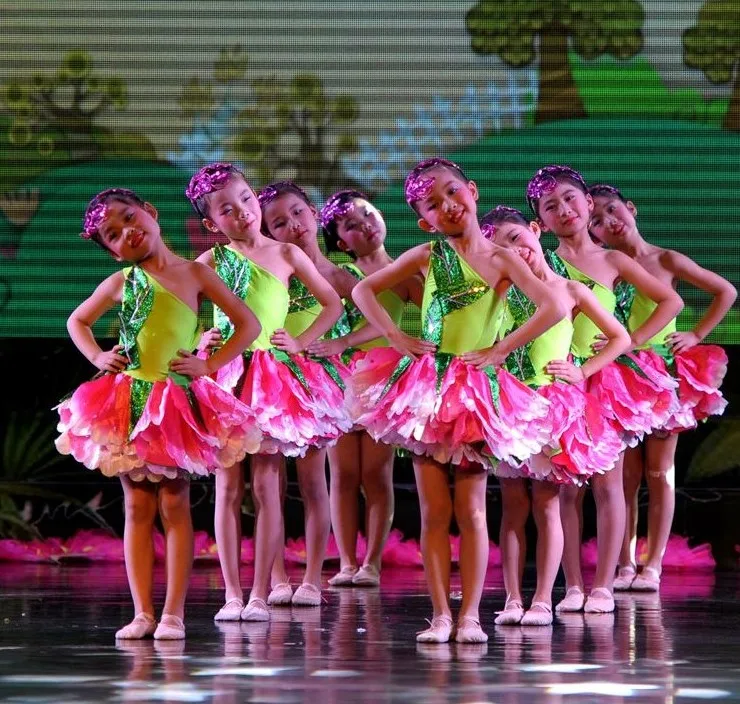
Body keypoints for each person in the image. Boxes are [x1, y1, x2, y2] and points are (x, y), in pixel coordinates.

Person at [350, 158, 565, 643]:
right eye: (433, 204)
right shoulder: (428, 254)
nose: (448, 206)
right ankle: (440, 615)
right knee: (433, 512)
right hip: (425, 389)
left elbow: (554, 306)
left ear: (471, 190)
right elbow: (364, 290)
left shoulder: (505, 259)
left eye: (453, 193)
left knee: (471, 508)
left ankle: (469, 616)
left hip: (474, 391)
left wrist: (501, 349)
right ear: (424, 218)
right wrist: (396, 337)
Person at [56, 188, 262, 640]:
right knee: (135, 504)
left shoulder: (195, 273)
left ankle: (173, 614)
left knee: (174, 502)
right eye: (113, 235)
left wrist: (209, 364)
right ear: (111, 252)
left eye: (129, 219)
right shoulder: (121, 283)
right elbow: (78, 321)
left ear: (150, 213)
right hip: (129, 400)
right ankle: (142, 613)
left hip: (175, 403)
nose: (127, 233)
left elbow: (249, 324)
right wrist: (95, 357)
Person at [186, 163, 345, 621]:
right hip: (226, 379)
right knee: (227, 488)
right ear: (211, 223)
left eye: (247, 201)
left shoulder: (287, 256)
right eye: (226, 211)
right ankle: (232, 594)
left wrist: (300, 340)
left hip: (272, 377)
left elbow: (332, 303)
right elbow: (186, 311)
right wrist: (202, 341)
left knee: (267, 485)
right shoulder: (211, 263)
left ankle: (260, 593)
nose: (242, 214)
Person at [526, 165, 684, 614]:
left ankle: (604, 588)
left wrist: (629, 341)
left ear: (587, 203)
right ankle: (573, 585)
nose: (565, 210)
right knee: (565, 489)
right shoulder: (540, 263)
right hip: (557, 380)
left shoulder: (614, 261)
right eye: (550, 206)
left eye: (571, 199)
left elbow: (671, 300)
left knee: (608, 485)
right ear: (540, 219)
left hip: (602, 381)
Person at [480, 205, 629, 626]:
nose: (515, 250)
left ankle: (544, 597)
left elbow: (619, 337)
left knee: (547, 504)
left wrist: (582, 369)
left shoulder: (571, 290)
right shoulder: (501, 292)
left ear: (534, 230)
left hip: (551, 408)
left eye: (517, 238)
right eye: (502, 246)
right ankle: (512, 598)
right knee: (511, 507)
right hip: (509, 405)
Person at [589, 183, 736, 591]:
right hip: (618, 375)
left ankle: (652, 564)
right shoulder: (605, 267)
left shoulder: (666, 259)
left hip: (660, 375)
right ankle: (623, 561)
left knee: (659, 470)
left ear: (631, 208)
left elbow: (725, 291)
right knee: (625, 475)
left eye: (613, 211)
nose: (609, 223)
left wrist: (696, 334)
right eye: (597, 221)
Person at [313, 189, 422, 588]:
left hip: (384, 379)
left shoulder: (408, 272)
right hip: (341, 376)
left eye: (368, 214)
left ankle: (371, 562)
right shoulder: (340, 275)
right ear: (341, 242)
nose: (365, 225)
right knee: (341, 474)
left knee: (376, 474)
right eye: (351, 225)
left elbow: (425, 319)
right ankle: (345, 561)